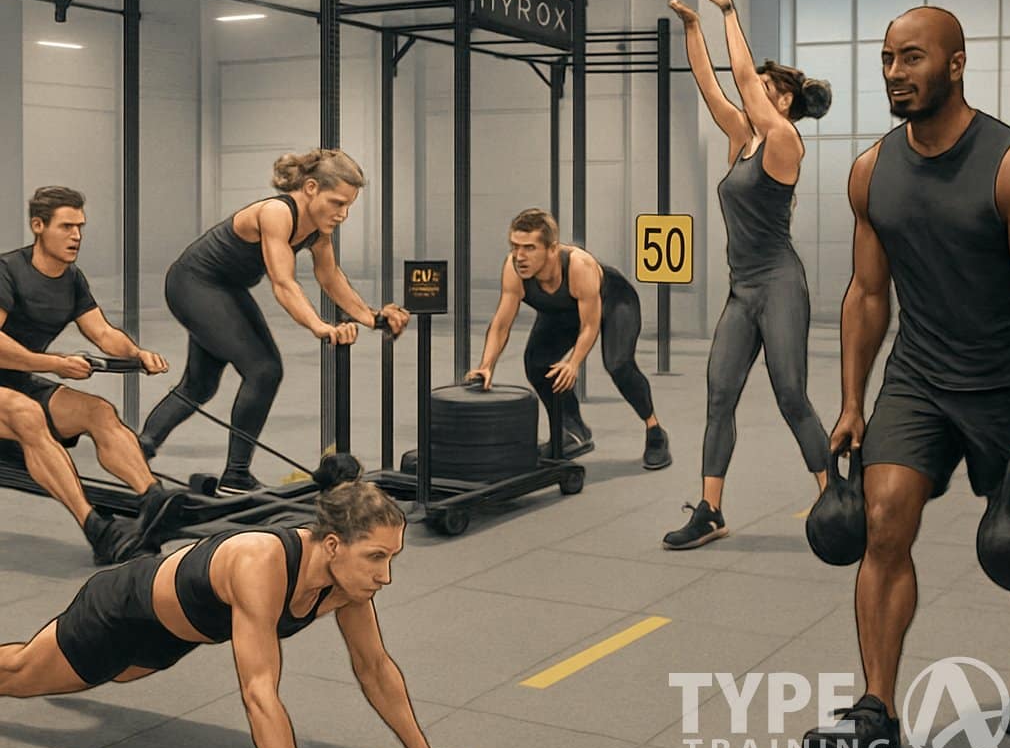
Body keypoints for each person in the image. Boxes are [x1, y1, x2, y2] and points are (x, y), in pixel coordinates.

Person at [801, 6, 1010, 748]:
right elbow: (867, 297)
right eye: (889, 59)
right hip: (921, 379)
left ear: (957, 65)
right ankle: (875, 715)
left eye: (913, 59)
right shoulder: (871, 169)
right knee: (883, 522)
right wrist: (854, 402)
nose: (897, 73)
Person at [0, 480, 498, 748]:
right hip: (121, 613)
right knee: (19, 677)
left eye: (391, 557)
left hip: (168, 640)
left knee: (119, 673)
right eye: (374, 557)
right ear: (331, 545)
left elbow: (374, 666)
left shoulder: (347, 583)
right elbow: (259, 692)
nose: (384, 575)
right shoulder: (261, 563)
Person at [661, 0, 831, 551]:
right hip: (743, 290)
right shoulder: (742, 138)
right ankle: (710, 510)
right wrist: (691, 27)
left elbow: (739, 77)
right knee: (719, 395)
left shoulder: (784, 140)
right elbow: (713, 83)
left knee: (791, 395)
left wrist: (728, 9)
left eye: (762, 87)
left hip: (781, 283)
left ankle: (834, 496)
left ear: (781, 98)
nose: (751, 91)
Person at [139, 149, 410, 495]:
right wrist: (319, 325)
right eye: (337, 202)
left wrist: (373, 317)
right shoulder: (277, 213)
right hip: (193, 284)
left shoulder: (316, 230)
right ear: (310, 187)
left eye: (349, 206)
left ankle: (138, 449)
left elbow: (331, 277)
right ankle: (235, 477)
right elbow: (283, 283)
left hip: (225, 289)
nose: (343, 214)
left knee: (200, 385)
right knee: (263, 370)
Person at [0, 186, 182, 565]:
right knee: (27, 414)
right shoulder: (8, 272)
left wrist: (136, 353)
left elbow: (101, 332)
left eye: (80, 227)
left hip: (20, 381)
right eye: (66, 226)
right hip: (12, 387)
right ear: (38, 226)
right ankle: (97, 529)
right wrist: (55, 364)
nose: (76, 236)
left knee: (98, 410)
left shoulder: (71, 279)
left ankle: (153, 501)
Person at [466, 208, 671, 469]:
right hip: (562, 312)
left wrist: (573, 364)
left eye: (529, 248)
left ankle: (655, 431)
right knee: (537, 364)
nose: (520, 256)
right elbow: (501, 324)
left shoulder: (578, 266)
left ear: (552, 249)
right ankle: (573, 429)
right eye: (515, 246)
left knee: (618, 364)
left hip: (613, 302)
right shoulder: (513, 269)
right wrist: (486, 365)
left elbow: (589, 326)